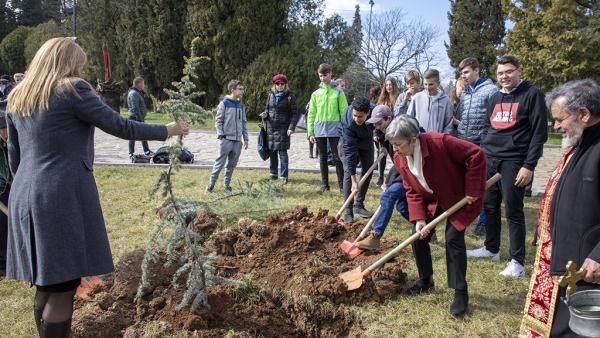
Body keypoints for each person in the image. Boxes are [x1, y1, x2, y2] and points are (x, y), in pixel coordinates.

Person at [4, 37, 189, 337]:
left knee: (45, 282)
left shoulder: (19, 96)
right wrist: (166, 130)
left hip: (24, 193)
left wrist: (28, 190)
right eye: (77, 63)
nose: (80, 69)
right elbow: (120, 125)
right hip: (61, 196)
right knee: (63, 287)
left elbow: (15, 155)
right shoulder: (71, 90)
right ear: (66, 62)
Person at [519, 79, 600, 337]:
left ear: (584, 114)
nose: (556, 126)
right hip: (569, 264)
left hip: (589, 267)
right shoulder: (579, 145)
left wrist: (599, 255)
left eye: (561, 119)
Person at [386, 115, 486, 316]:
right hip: (432, 199)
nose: (395, 150)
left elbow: (476, 154)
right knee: (417, 234)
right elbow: (411, 189)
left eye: (398, 144)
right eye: (392, 145)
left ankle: (460, 292)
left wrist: (473, 188)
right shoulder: (399, 157)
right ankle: (425, 280)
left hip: (458, 196)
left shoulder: (440, 142)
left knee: (453, 238)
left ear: (413, 140)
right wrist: (420, 218)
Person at [467, 55, 548, 277]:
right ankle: (491, 248)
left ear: (519, 71)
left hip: (515, 161)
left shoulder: (532, 95)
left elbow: (539, 133)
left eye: (509, 71)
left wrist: (528, 165)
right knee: (490, 206)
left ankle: (517, 262)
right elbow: (487, 127)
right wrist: (484, 153)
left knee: (513, 210)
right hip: (490, 159)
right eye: (501, 73)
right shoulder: (494, 98)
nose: (505, 76)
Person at [356, 105, 410, 250]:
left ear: (389, 118)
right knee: (402, 206)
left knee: (389, 196)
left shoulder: (401, 130)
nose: (377, 126)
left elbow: (405, 161)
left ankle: (375, 236)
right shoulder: (385, 132)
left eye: (379, 123)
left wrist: (391, 180)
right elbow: (397, 162)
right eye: (375, 124)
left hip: (412, 171)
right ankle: (429, 228)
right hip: (402, 169)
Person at [456, 57, 499, 237]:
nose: (464, 76)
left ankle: (483, 221)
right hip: (463, 142)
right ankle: (464, 215)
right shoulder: (465, 93)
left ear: (476, 70)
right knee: (463, 182)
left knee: (481, 184)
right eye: (462, 73)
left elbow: (494, 119)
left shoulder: (491, 91)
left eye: (466, 72)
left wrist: (487, 140)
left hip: (481, 143)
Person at [307, 63, 347, 193]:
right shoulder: (315, 94)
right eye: (320, 76)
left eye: (325, 75)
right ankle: (325, 185)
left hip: (335, 131)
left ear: (330, 74)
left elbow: (344, 112)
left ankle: (342, 186)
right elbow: (311, 114)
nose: (323, 78)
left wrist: (344, 130)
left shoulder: (339, 93)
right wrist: (310, 132)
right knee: (322, 157)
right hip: (319, 130)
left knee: (337, 157)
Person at [206, 79, 249, 193]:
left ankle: (226, 185)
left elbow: (244, 122)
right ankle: (210, 186)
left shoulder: (241, 105)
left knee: (231, 165)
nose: (242, 91)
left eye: (242, 89)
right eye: (240, 89)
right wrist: (221, 136)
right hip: (226, 140)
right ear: (232, 90)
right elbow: (218, 121)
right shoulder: (224, 103)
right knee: (219, 164)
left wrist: (246, 138)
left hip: (237, 142)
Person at [340, 97, 375, 223]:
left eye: (360, 116)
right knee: (349, 173)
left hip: (366, 140)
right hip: (348, 140)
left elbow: (383, 128)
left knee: (368, 169)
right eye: (355, 115)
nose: (356, 119)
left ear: (368, 113)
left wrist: (384, 145)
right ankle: (348, 210)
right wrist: (355, 181)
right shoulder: (348, 121)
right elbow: (349, 152)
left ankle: (359, 206)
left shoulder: (375, 112)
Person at [259, 74, 299, 183]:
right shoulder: (270, 95)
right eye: (277, 84)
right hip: (271, 127)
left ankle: (284, 176)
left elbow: (295, 114)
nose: (280, 86)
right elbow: (267, 109)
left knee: (282, 152)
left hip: (283, 128)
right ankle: (273, 173)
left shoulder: (290, 96)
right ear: (274, 85)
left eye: (282, 84)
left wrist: (291, 128)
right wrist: (265, 114)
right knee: (272, 151)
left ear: (285, 84)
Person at [406, 68, 453, 134]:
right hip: (419, 140)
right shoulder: (416, 98)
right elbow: (409, 119)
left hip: (437, 141)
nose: (428, 87)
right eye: (425, 84)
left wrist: (442, 140)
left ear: (438, 83)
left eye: (431, 84)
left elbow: (448, 124)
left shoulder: (446, 100)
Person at [376, 76, 400, 187]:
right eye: (387, 85)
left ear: (394, 86)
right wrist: (376, 133)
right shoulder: (382, 100)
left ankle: (398, 175)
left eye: (390, 85)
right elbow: (376, 116)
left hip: (393, 131)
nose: (389, 87)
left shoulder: (398, 98)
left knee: (394, 154)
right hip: (382, 132)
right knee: (382, 154)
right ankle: (380, 177)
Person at [127, 77, 153, 157]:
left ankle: (147, 151)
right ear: (139, 84)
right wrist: (140, 119)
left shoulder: (135, 92)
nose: (144, 85)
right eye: (143, 83)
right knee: (133, 135)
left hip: (137, 117)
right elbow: (135, 108)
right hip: (135, 118)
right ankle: (131, 153)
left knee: (143, 134)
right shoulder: (134, 93)